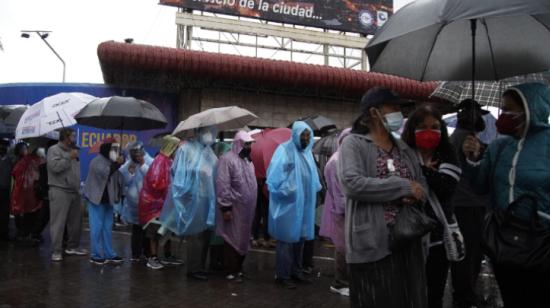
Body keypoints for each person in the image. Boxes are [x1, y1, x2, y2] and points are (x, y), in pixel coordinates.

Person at [338, 87, 428, 308]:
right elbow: (352, 184)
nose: (400, 113)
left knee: (408, 300)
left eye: (401, 108)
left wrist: (416, 194)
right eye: (394, 107)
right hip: (373, 243)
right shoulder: (354, 143)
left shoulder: (404, 148)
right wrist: (402, 187)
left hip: (408, 240)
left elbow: (421, 185)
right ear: (374, 113)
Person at [462, 83, 550, 308]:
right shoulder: (498, 146)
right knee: (512, 297)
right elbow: (480, 187)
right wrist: (472, 160)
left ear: (532, 109)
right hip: (503, 242)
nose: (504, 115)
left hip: (541, 242)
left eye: (511, 110)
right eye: (503, 108)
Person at [401, 104, 463, 308]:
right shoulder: (403, 153)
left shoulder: (448, 153)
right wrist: (426, 172)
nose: (429, 131)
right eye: (422, 126)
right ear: (412, 128)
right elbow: (398, 185)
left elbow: (446, 186)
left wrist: (421, 171)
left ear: (442, 129)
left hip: (438, 240)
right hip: (407, 236)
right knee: (408, 294)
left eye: (434, 126)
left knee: (433, 295)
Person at [267, 121, 321, 289]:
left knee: (300, 239)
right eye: (302, 135)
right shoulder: (284, 150)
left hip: (304, 205)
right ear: (295, 135)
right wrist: (288, 190)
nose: (305, 138)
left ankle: (296, 271)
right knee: (286, 241)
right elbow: (273, 179)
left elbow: (313, 178)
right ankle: (283, 275)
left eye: (308, 135)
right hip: (288, 205)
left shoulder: (307, 153)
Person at [159, 126, 218, 281]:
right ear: (198, 132)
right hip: (193, 199)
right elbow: (176, 171)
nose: (209, 135)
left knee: (205, 234)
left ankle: (201, 266)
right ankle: (193, 269)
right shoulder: (186, 149)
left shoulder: (209, 153)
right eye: (206, 132)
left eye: (210, 132)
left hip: (207, 198)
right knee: (195, 235)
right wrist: (187, 189)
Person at [449, 99, 492, 308]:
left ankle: (464, 293)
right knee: (470, 254)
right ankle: (465, 296)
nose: (482, 119)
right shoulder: (464, 139)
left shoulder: (463, 138)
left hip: (464, 203)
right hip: (468, 205)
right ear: (469, 116)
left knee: (468, 253)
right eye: (479, 114)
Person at [215, 130, 257, 281]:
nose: (249, 146)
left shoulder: (247, 161)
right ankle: (230, 270)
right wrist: (225, 207)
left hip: (247, 210)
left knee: (243, 239)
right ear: (239, 144)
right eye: (246, 144)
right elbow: (222, 184)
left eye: (250, 144)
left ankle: (238, 268)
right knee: (231, 239)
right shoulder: (227, 160)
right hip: (234, 208)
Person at [138, 135, 180, 270]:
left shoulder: (168, 161)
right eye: (176, 148)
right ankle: (153, 257)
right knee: (154, 231)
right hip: (153, 204)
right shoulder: (160, 161)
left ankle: (167, 255)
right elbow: (156, 182)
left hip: (163, 203)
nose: (177, 151)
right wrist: (170, 187)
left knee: (166, 229)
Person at [319, 128, 351, 296]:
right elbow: (338, 192)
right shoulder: (336, 162)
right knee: (342, 247)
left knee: (348, 247)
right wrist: (348, 209)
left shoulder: (347, 160)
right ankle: (340, 283)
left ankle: (346, 281)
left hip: (348, 211)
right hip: (342, 212)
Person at [47, 128, 87, 261]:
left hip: (74, 191)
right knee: (58, 223)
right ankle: (56, 251)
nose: (75, 138)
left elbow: (75, 171)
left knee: (76, 222)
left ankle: (72, 247)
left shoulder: (74, 151)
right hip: (59, 190)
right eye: (73, 136)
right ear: (65, 137)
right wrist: (69, 158)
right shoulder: (54, 150)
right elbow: (55, 167)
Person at [83, 138, 124, 265]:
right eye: (114, 149)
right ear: (107, 149)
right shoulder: (97, 161)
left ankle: (109, 253)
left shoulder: (111, 161)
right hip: (96, 199)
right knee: (96, 227)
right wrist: (117, 164)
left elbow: (118, 179)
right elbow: (104, 173)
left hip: (108, 199)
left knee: (107, 228)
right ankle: (95, 254)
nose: (115, 151)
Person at [120, 142, 153, 262]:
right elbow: (125, 181)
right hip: (134, 204)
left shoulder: (150, 161)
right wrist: (130, 172)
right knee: (137, 229)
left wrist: (143, 165)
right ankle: (136, 254)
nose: (136, 155)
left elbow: (153, 178)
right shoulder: (129, 164)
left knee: (147, 229)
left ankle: (147, 252)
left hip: (147, 202)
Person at [10, 142, 42, 243]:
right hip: (21, 191)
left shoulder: (27, 160)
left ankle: (24, 232)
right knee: (21, 212)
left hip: (26, 191)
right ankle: (22, 232)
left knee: (26, 212)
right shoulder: (19, 161)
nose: (25, 150)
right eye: (24, 149)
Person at [0, 138, 11, 241]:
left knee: (4, 212)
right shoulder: (8, 160)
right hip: (3, 188)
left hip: (6, 189)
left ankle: (4, 232)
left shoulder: (10, 160)